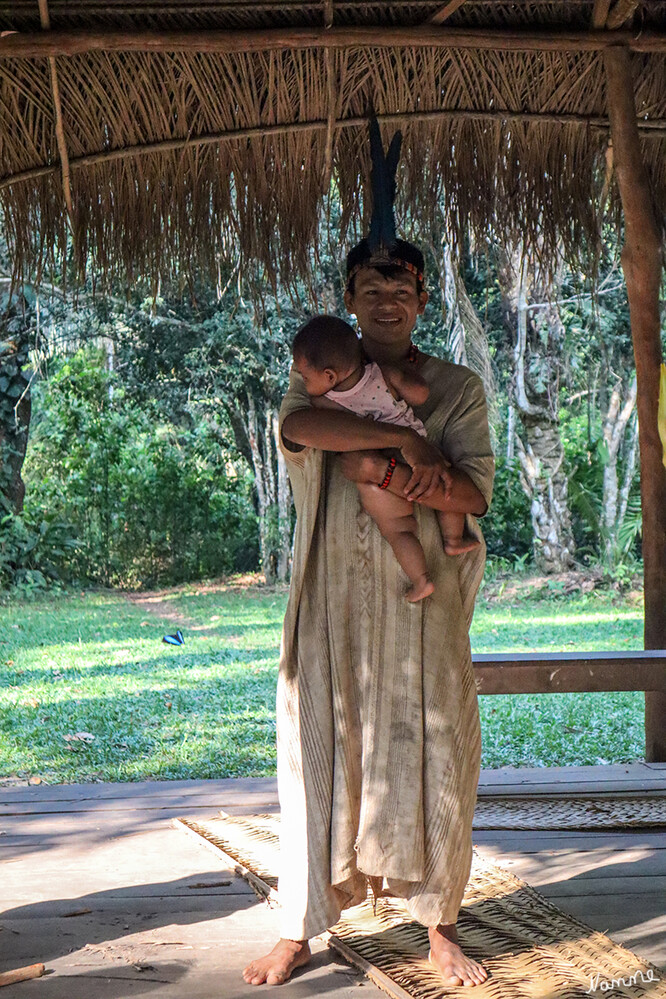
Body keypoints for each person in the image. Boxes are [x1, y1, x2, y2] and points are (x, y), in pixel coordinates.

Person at [242, 236, 495, 989]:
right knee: (314, 750)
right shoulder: (319, 372)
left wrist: (406, 475)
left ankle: (439, 928)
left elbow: (473, 493)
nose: (387, 304)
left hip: (425, 606)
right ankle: (299, 926)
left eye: (402, 293)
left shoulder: (455, 387)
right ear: (350, 299)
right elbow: (302, 430)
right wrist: (400, 442)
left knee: (438, 752)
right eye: (371, 292)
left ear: (422, 303)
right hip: (330, 600)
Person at [291, 315, 480, 602]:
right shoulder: (383, 373)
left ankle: (421, 580)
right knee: (445, 482)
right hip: (420, 459)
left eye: (305, 378)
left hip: (374, 475)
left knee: (399, 530)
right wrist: (405, 431)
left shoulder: (323, 401)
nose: (304, 385)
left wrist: (381, 468)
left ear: (329, 376)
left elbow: (315, 426)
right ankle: (453, 539)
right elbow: (420, 393)